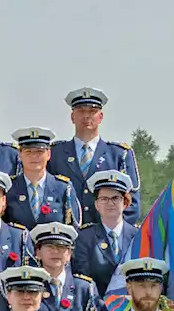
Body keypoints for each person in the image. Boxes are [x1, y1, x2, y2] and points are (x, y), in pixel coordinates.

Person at [49, 88, 141, 225]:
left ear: (101, 117)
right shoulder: (55, 153)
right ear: (72, 117)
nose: (87, 116)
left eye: (92, 111)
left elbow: (132, 204)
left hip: (104, 238)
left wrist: (112, 231)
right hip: (64, 239)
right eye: (81, 111)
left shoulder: (119, 154)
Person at [73, 170, 140, 297]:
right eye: (104, 199)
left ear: (125, 203)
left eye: (116, 198)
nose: (110, 203)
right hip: (96, 307)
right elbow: (83, 277)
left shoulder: (138, 236)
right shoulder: (84, 237)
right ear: (97, 204)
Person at [4, 127, 81, 230]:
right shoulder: (9, 187)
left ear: (48, 154)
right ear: (20, 154)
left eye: (39, 152)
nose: (34, 156)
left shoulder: (63, 188)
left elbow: (74, 230)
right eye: (28, 152)